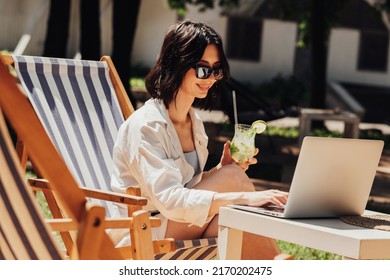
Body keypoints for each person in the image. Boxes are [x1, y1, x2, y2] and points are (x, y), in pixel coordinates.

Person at [111, 20, 288, 259]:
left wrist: (220, 170)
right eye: (203, 69)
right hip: (143, 236)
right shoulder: (147, 127)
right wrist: (245, 194)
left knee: (235, 213)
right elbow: (170, 200)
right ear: (177, 64)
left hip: (175, 225)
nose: (211, 78)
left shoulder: (194, 123)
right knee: (238, 192)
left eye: (217, 70)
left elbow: (188, 185)